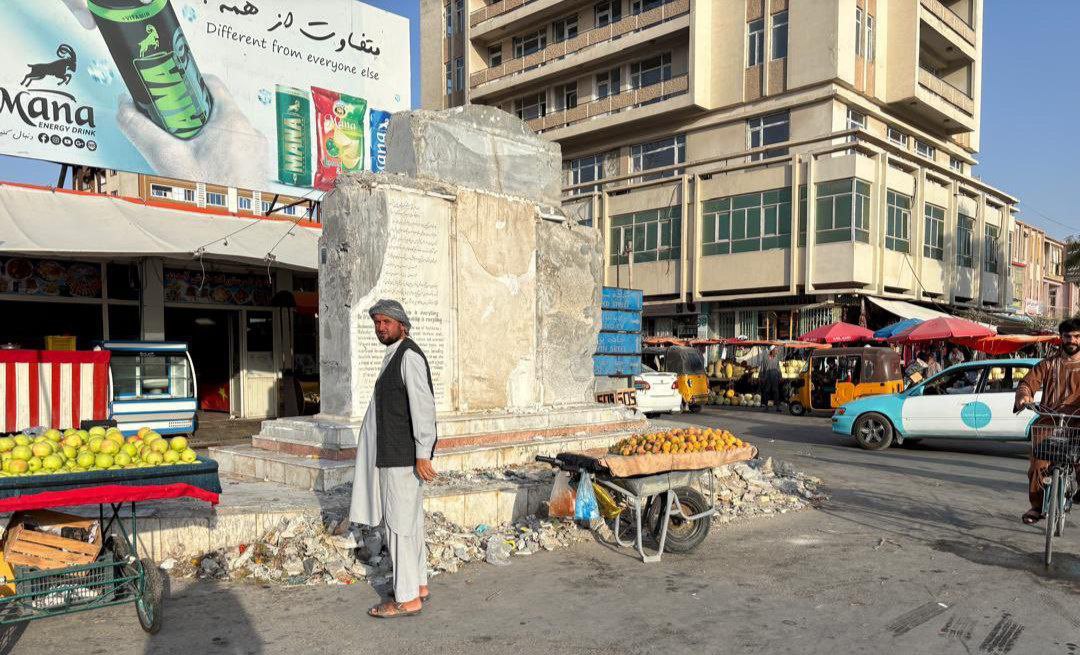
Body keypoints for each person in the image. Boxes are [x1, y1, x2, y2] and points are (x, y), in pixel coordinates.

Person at [350, 299, 438, 618]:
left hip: (400, 458)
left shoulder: (408, 356)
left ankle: (406, 598)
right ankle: (418, 585)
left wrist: (423, 453)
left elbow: (423, 408)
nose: (381, 328)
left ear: (402, 324)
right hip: (396, 456)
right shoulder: (395, 354)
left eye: (386, 322)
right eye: (377, 323)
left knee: (398, 527)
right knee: (409, 525)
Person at [1013, 318, 1080, 526]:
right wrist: (1024, 396)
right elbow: (1027, 383)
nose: (1072, 340)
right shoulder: (1048, 364)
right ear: (1061, 338)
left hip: (1077, 421)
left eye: (1077, 336)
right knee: (1038, 463)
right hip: (1049, 419)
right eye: (1068, 336)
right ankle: (1037, 506)